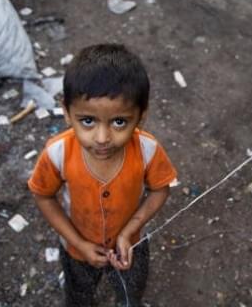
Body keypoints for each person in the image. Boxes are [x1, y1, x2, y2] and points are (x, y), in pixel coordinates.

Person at [28, 44, 177, 306]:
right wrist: (78, 243)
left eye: (119, 122)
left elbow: (160, 189)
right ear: (66, 111)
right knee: (79, 295)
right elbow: (43, 196)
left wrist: (128, 231)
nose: (102, 138)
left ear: (141, 117)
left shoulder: (148, 149)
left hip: (131, 245)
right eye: (87, 121)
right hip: (76, 248)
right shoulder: (58, 152)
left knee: (131, 293)